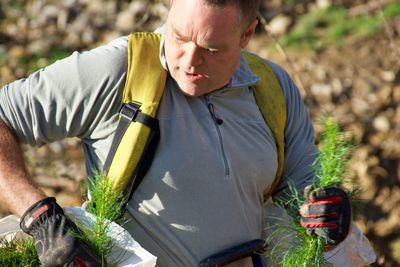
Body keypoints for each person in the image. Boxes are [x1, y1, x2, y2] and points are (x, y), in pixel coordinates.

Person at [0, 0, 352, 266]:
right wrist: (39, 217)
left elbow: (306, 181)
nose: (188, 60)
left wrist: (328, 210)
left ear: (247, 34)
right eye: (179, 36)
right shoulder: (118, 72)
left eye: (212, 50)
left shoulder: (272, 87)